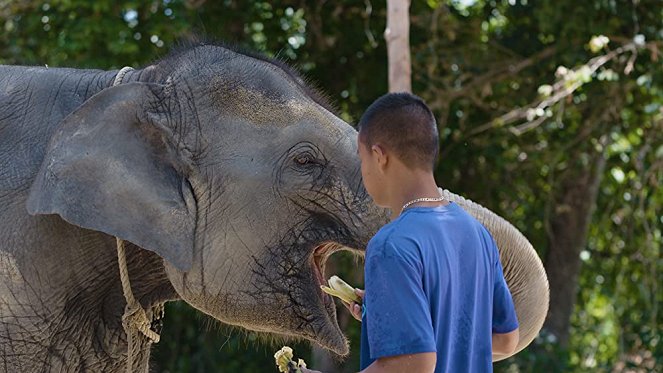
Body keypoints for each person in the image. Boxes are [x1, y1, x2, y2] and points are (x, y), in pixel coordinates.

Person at [305, 92, 519, 373]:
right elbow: (505, 340)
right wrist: (388, 319)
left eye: (361, 158)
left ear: (379, 156)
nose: (363, 171)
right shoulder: (477, 233)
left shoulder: (389, 246)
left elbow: (416, 363)